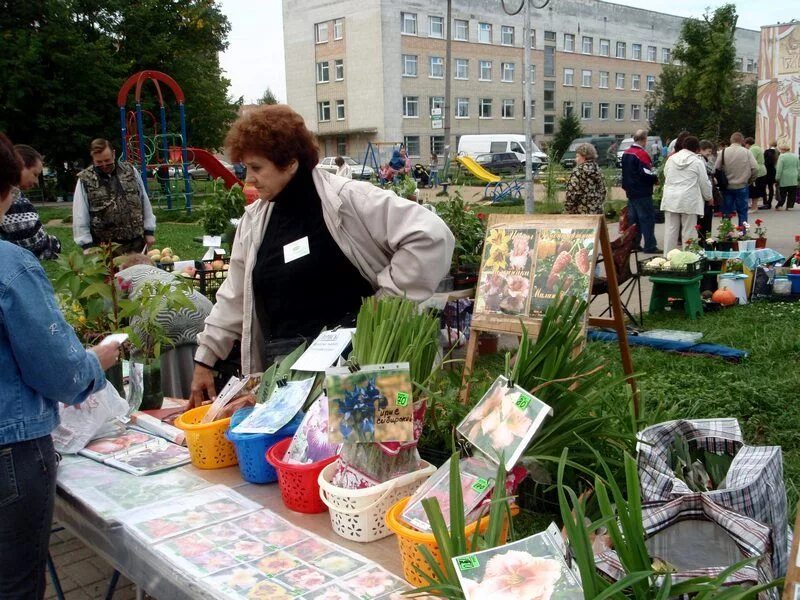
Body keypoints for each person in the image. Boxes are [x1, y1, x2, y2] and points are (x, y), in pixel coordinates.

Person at [189, 105, 454, 406]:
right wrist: (205, 360)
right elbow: (233, 295)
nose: (249, 180)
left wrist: (384, 304)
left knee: (373, 451)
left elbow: (432, 235)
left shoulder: (347, 199)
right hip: (288, 379)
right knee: (294, 453)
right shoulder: (255, 221)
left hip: (361, 367)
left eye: (257, 168)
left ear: (289, 163)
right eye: (246, 169)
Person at [0, 132, 121, 598]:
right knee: (14, 584)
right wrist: (97, 360)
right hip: (11, 451)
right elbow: (60, 374)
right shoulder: (11, 267)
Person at [116, 254, 213, 398]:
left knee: (149, 365)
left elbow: (112, 307)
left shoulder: (123, 276)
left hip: (159, 316)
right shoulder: (164, 274)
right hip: (204, 311)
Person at [72, 138, 156, 255]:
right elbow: (80, 214)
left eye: (107, 160)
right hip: (104, 248)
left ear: (114, 154)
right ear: (93, 159)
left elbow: (144, 201)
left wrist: (149, 231)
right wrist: (86, 244)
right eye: (99, 162)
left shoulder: (131, 171)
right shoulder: (85, 180)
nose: (104, 165)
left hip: (136, 244)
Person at [0, 144, 61, 260]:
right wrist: (56, 243)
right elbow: (32, 243)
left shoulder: (16, 195)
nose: (36, 181)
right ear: (21, 165)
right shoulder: (10, 196)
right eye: (35, 174)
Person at [661, 136, 712, 255]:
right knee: (688, 232)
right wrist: (708, 197)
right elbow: (704, 182)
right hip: (689, 199)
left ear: (683, 146)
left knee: (670, 231)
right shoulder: (697, 162)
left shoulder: (671, 159)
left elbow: (666, 174)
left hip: (671, 198)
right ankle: (689, 260)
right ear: (697, 149)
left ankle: (668, 259)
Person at [621, 129, 661, 253]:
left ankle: (634, 244)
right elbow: (646, 172)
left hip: (630, 191)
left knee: (634, 221)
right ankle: (650, 246)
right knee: (647, 219)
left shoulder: (626, 153)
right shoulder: (641, 154)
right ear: (644, 139)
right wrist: (655, 179)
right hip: (642, 191)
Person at [715, 132, 757, 225]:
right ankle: (743, 234)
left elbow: (716, 168)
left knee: (726, 212)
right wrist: (750, 180)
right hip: (742, 185)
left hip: (727, 186)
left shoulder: (723, 152)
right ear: (742, 141)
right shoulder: (747, 152)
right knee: (742, 212)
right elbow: (755, 168)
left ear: (731, 140)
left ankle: (726, 233)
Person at [564, 143, 606, 214]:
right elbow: (603, 191)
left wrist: (569, 210)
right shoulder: (598, 170)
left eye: (577, 156)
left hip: (581, 213)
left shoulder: (578, 172)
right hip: (597, 212)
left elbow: (572, 193)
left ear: (584, 156)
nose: (575, 160)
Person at [697, 140, 720, 244]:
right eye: (708, 151)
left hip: (703, 193)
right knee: (706, 218)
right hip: (705, 194)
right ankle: (705, 240)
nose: (709, 154)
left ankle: (704, 239)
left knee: (703, 219)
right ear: (701, 150)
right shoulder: (701, 160)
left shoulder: (701, 159)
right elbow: (710, 171)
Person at [775, 140, 799, 211]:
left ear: (783, 150)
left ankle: (780, 205)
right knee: (792, 193)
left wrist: (777, 178)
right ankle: (789, 206)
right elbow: (798, 167)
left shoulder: (782, 157)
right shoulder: (795, 156)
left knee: (783, 193)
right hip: (794, 177)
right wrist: (798, 177)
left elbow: (779, 168)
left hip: (784, 177)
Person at [744, 137, 767, 212]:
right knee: (756, 189)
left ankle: (754, 207)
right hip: (761, 170)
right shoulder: (757, 147)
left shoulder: (752, 149)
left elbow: (751, 161)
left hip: (757, 171)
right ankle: (754, 206)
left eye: (745, 145)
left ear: (747, 144)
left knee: (754, 190)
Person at [763, 140, 778, 209]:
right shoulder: (778, 152)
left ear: (770, 144)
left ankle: (765, 202)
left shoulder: (767, 151)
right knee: (771, 187)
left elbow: (764, 161)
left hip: (766, 170)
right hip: (773, 170)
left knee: (764, 187)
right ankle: (769, 202)